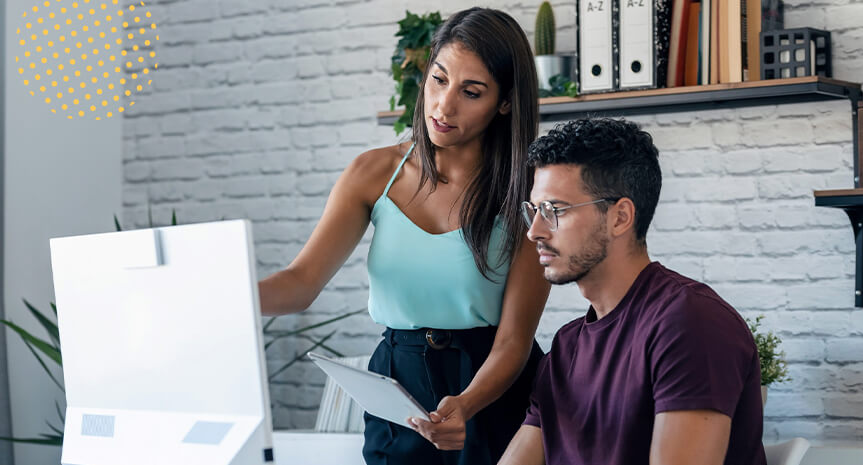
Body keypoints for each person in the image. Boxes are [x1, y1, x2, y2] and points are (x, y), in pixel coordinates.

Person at [258, 7, 550, 465]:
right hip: (398, 387)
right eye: (438, 80)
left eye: (471, 92)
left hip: (494, 390)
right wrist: (222, 298)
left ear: (506, 102)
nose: (443, 106)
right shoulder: (372, 173)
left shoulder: (528, 192)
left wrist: (467, 406)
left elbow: (514, 341)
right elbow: (300, 283)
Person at [498, 118, 766, 465]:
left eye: (555, 210)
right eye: (534, 211)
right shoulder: (566, 350)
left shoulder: (690, 323)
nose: (534, 231)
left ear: (620, 217)